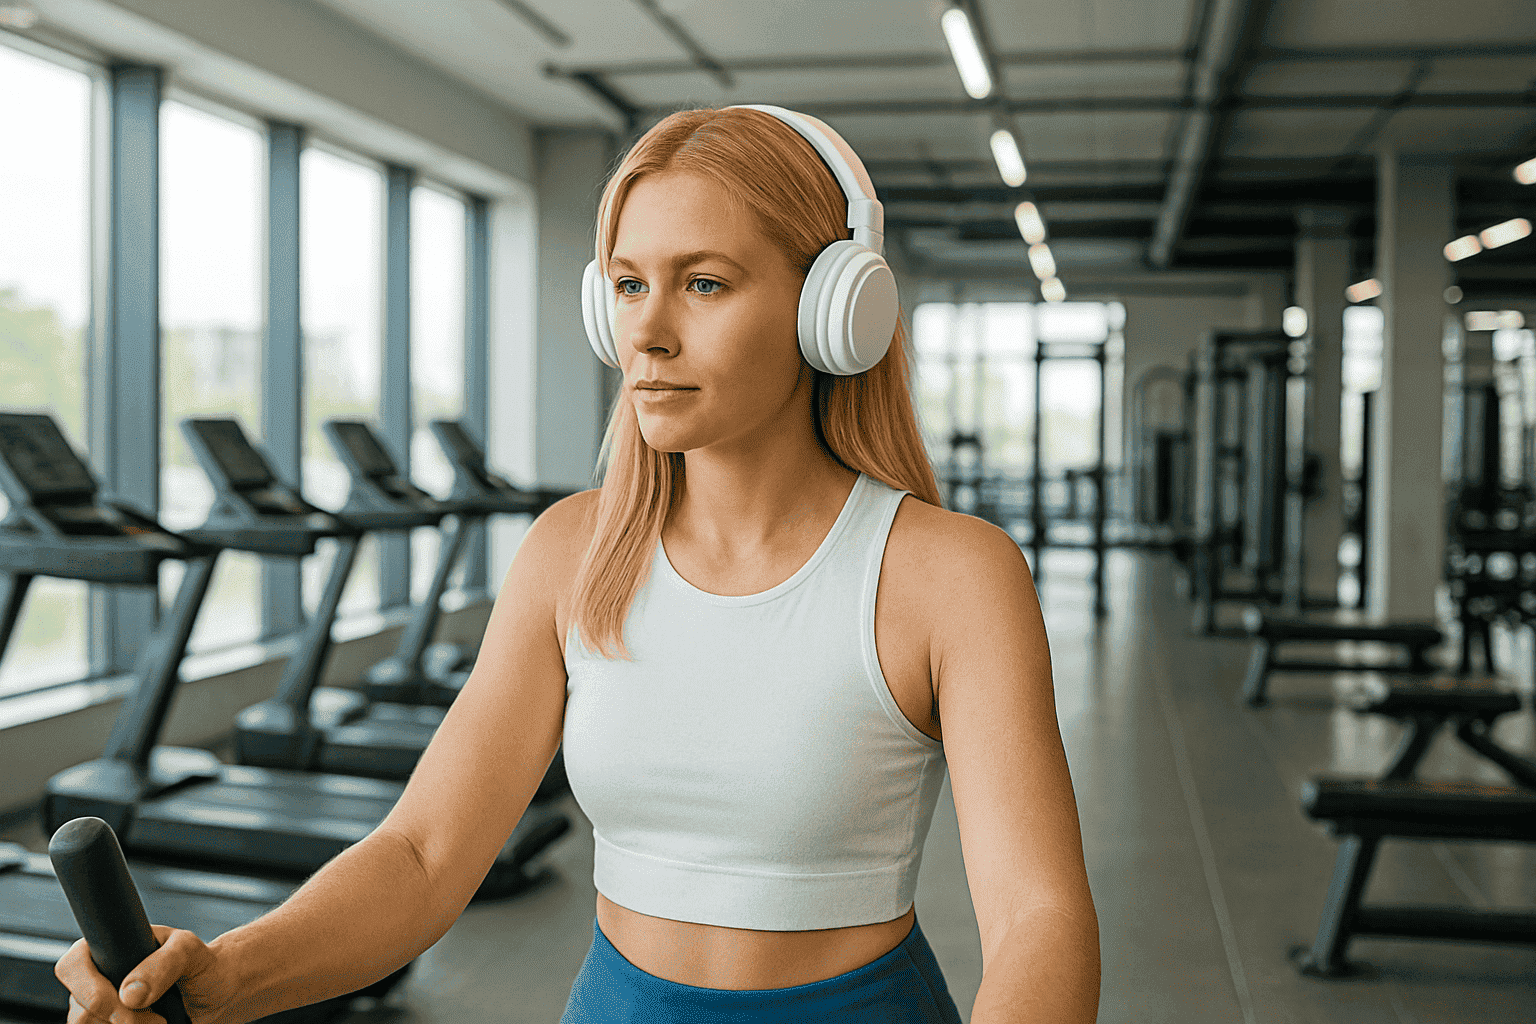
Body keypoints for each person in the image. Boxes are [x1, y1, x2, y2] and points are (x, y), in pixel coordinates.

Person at [56, 105, 1099, 1024]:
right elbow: (424, 854)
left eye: (704, 283)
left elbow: (1038, 916)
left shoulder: (951, 575)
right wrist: (228, 974)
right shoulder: (574, 552)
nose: (647, 331)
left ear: (832, 309)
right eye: (630, 285)